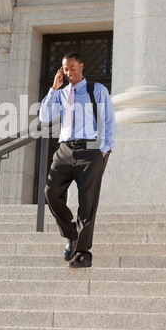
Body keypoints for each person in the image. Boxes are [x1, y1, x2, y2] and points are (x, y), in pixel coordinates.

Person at [39, 52, 117, 268]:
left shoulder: (96, 90)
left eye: (72, 68)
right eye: (65, 69)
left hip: (91, 149)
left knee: (87, 203)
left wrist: (103, 150)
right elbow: (44, 117)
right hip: (64, 149)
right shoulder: (61, 94)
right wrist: (54, 89)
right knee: (50, 192)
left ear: (81, 66)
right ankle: (72, 235)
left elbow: (108, 122)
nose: (69, 72)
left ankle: (83, 253)